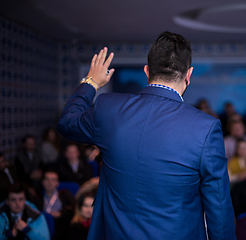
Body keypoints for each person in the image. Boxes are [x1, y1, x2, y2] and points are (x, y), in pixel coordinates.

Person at [57, 32, 236, 239]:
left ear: (147, 71)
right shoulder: (206, 127)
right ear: (189, 74)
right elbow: (219, 210)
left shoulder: (107, 108)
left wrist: (91, 82)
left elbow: (67, 122)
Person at [39, 170, 75, 240]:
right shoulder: (37, 198)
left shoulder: (65, 194)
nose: (50, 182)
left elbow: (74, 207)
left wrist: (60, 213)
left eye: (53, 180)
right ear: (42, 182)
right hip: (44, 226)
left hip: (62, 225)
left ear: (57, 183)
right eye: (47, 179)